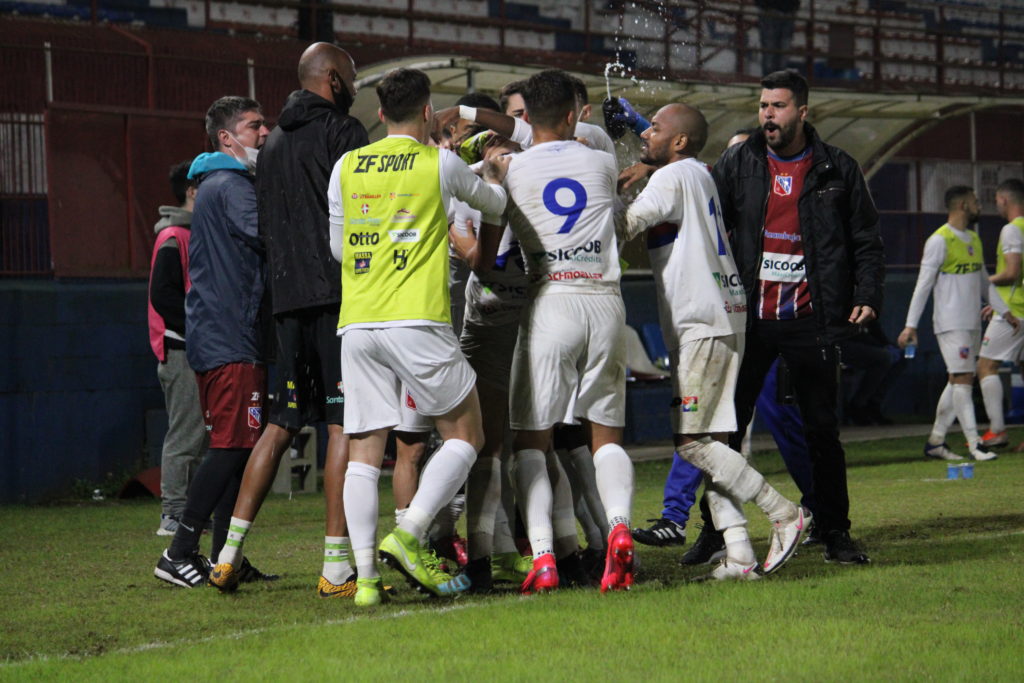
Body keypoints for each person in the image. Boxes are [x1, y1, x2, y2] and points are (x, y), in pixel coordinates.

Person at [327, 67, 509, 607]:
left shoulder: (346, 164)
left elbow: (339, 250)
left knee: (365, 450)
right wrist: (494, 174)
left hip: (358, 321)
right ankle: (410, 534)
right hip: (417, 319)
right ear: (428, 112)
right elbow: (494, 207)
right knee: (466, 435)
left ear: (380, 114)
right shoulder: (439, 162)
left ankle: (363, 581)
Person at [205, 43, 370, 596]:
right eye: (349, 74)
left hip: (286, 303)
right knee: (342, 424)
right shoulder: (343, 133)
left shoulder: (270, 144)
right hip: (335, 298)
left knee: (280, 425)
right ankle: (335, 568)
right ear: (330, 79)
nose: (355, 82)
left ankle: (226, 556)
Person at [622, 103, 808, 580]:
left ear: (679, 141)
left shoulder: (670, 178)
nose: (646, 134)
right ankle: (740, 552)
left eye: (655, 128)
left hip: (699, 319)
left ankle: (785, 512)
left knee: (691, 444)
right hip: (728, 314)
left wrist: (589, 184)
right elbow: (666, 151)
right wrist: (646, 149)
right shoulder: (699, 174)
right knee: (716, 445)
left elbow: (621, 228)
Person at [712, 69, 885, 565]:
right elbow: (709, 222)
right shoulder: (739, 163)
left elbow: (867, 241)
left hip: (812, 319)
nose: (768, 113)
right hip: (751, 318)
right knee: (727, 429)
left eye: (779, 105)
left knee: (822, 432)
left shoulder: (838, 168)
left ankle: (835, 533)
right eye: (763, 104)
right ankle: (715, 531)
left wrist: (868, 293)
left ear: (803, 112)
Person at [501, 69, 635, 594]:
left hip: (550, 301)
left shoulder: (512, 169)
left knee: (532, 440)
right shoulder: (603, 162)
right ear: (573, 114)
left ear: (527, 116)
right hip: (604, 302)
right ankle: (620, 530)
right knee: (605, 436)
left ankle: (543, 557)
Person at [154, 96, 274, 588]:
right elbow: (272, 235)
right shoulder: (230, 185)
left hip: (228, 333)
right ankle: (178, 551)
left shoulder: (217, 184)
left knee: (240, 447)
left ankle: (227, 555)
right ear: (227, 138)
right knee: (228, 448)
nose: (264, 133)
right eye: (254, 126)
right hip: (230, 336)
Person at [898, 185, 1010, 462]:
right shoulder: (939, 241)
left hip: (972, 323)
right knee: (962, 380)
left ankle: (936, 441)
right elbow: (923, 286)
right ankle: (974, 444)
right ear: (962, 206)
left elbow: (984, 282)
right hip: (950, 324)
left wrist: (1006, 312)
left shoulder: (973, 238)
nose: (979, 206)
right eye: (974, 201)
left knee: (959, 379)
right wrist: (910, 325)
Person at [149, 160, 207, 537]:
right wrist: (199, 330)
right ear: (191, 191)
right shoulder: (174, 235)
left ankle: (187, 513)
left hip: (192, 347)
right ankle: (172, 514)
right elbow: (163, 298)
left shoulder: (189, 233)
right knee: (185, 434)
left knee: (198, 434)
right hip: (180, 349)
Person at [976, 179, 1024, 448]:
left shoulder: (1011, 230)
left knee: (986, 366)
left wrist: (985, 285)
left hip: (1014, 310)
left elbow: (1012, 272)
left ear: (1004, 199)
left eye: (996, 199)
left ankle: (997, 431)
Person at [757, 0, 800, 74]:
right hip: (778, 11)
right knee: (775, 50)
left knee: (775, 51)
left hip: (779, 11)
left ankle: (773, 79)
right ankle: (774, 79)